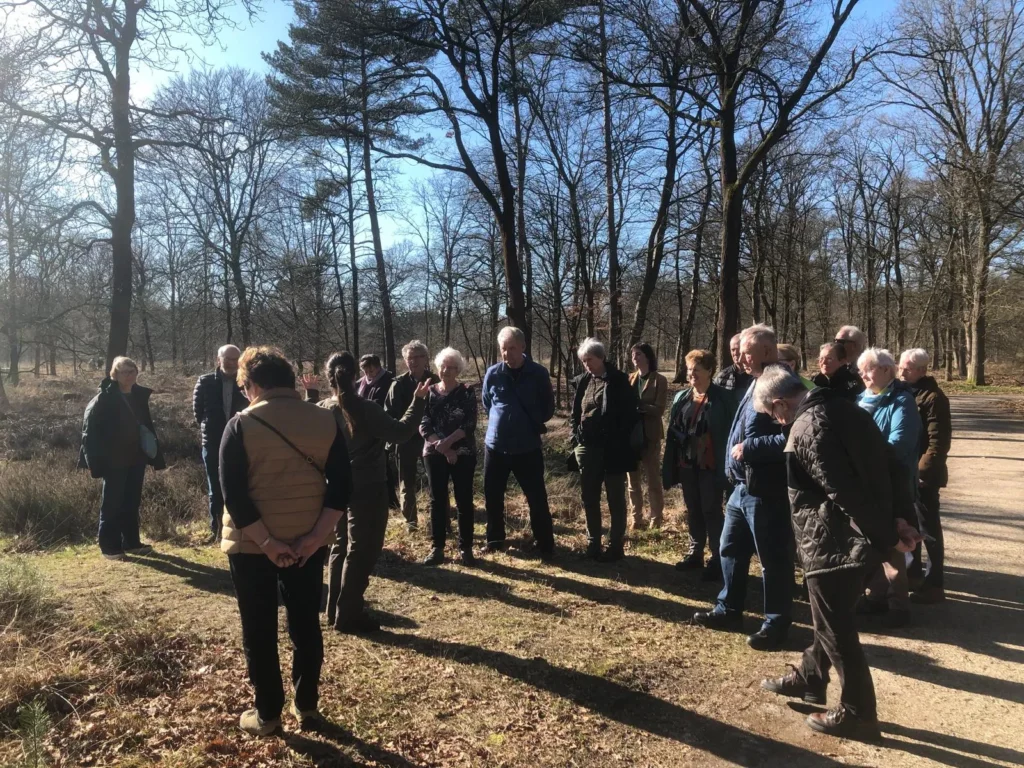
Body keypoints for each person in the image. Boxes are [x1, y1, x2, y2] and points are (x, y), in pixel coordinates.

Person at [753, 366, 904, 741]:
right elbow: (893, 464)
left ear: (780, 403)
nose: (776, 421)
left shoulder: (806, 427)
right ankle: (810, 676)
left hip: (832, 544)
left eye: (772, 414)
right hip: (856, 540)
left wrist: (889, 537)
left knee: (836, 629)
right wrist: (900, 519)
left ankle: (859, 714)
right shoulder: (848, 409)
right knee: (831, 619)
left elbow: (842, 491)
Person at [218, 347, 352, 736]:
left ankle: (268, 714)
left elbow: (234, 495)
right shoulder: (325, 419)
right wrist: (314, 539)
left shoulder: (240, 425)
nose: (244, 394)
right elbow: (342, 486)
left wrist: (267, 543)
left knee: (258, 625)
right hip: (306, 540)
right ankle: (306, 705)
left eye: (244, 386)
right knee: (305, 622)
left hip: (251, 545)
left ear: (253, 384)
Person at [304, 352, 428, 632]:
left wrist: (311, 395)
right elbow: (401, 432)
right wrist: (418, 401)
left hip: (334, 487)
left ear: (329, 378)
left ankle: (335, 611)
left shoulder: (322, 409)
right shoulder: (366, 409)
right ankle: (348, 615)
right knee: (362, 550)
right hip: (368, 487)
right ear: (354, 376)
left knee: (340, 546)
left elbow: (307, 427)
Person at [692, 324, 793, 651]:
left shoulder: (782, 383)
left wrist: (749, 448)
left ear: (766, 351)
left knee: (772, 559)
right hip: (741, 488)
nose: (740, 359)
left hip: (765, 488)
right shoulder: (755, 380)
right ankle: (729, 609)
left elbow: (792, 436)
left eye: (747, 353)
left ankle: (776, 623)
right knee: (730, 548)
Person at [856, 347, 923, 628]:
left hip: (892, 484)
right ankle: (876, 597)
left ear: (886, 370)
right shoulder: (860, 399)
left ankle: (899, 607)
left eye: (868, 369)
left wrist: (863, 458)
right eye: (860, 371)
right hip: (865, 483)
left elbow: (899, 444)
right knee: (870, 541)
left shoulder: (902, 401)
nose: (863, 375)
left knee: (893, 542)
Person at [79, 356, 166, 560]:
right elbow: (89, 433)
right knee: (112, 504)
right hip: (114, 461)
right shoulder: (104, 398)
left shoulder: (138, 395)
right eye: (124, 372)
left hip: (136, 458)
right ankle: (109, 547)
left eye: (132, 371)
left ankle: (131, 542)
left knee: (131, 502)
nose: (129, 375)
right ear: (115, 374)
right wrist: (93, 462)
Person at [663, 349, 738, 581]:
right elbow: (673, 428)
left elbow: (731, 433)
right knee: (693, 508)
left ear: (709, 371)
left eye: (696, 369)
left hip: (711, 464)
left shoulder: (724, 399)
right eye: (689, 370)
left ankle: (717, 558)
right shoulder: (682, 397)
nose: (691, 374)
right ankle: (695, 553)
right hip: (686, 463)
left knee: (711, 510)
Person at [481, 326, 556, 556]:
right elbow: (487, 403)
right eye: (503, 349)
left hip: (527, 447)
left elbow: (548, 407)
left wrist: (526, 421)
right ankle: (495, 541)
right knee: (493, 496)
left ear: (523, 347)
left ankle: (545, 544)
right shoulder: (493, 373)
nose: (507, 353)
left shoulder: (538, 373)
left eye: (512, 348)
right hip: (496, 447)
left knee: (536, 497)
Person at [570, 337, 640, 562]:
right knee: (589, 498)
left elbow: (630, 416)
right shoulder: (583, 381)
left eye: (590, 359)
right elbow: (575, 414)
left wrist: (615, 437)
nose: (587, 364)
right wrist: (576, 439)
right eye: (583, 361)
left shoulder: (619, 381)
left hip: (613, 450)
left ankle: (615, 546)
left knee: (615, 499)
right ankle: (593, 544)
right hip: (587, 449)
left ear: (601, 357)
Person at [899, 348, 952, 604]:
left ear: (921, 370)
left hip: (924, 476)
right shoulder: (905, 392)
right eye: (900, 367)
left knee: (928, 528)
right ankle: (912, 574)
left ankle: (934, 584)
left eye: (907, 368)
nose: (901, 372)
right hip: (906, 473)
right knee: (910, 523)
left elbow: (938, 442)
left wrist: (923, 473)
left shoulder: (933, 397)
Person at [421, 348, 478, 566]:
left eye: (452, 367)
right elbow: (423, 423)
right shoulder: (429, 391)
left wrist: (450, 444)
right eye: (443, 366)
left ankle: (466, 548)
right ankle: (437, 548)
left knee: (464, 499)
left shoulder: (467, 392)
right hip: (435, 452)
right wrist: (443, 448)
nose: (446, 371)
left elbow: (470, 423)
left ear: (458, 370)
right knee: (437, 500)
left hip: (463, 452)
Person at [193, 345, 249, 540]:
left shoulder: (246, 382)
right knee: (215, 489)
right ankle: (216, 531)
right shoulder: (205, 382)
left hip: (241, 443)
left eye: (236, 359)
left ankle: (240, 529)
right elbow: (198, 413)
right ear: (219, 360)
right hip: (213, 443)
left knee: (240, 486)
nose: (232, 363)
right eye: (228, 359)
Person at [385, 341, 439, 531]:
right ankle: (411, 523)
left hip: (431, 439)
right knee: (406, 483)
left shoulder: (436, 380)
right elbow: (390, 414)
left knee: (436, 481)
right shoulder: (398, 384)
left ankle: (441, 521)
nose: (414, 361)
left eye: (418, 357)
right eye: (410, 358)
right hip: (405, 440)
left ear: (426, 359)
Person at [627, 343, 668, 529]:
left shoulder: (659, 380)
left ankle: (656, 519)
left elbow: (659, 409)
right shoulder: (630, 379)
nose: (635, 358)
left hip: (650, 436)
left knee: (653, 480)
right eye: (633, 355)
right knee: (632, 480)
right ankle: (636, 519)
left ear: (648, 357)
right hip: (631, 436)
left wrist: (639, 406)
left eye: (638, 354)